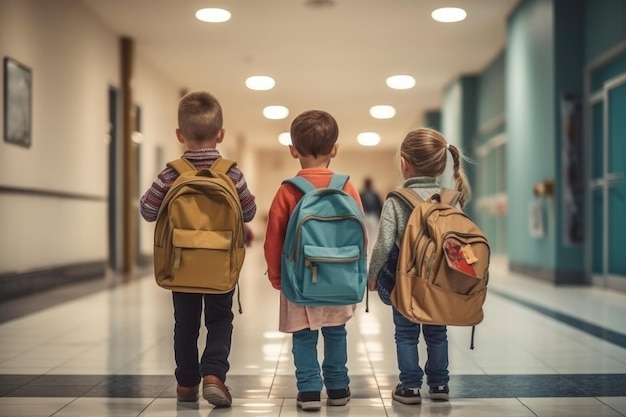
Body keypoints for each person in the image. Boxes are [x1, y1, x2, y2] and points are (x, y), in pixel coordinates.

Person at [139, 91, 257, 407]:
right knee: (220, 320)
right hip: (221, 265)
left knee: (185, 324)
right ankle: (214, 375)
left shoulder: (171, 173)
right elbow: (248, 213)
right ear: (221, 134)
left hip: (181, 264)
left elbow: (148, 211)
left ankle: (187, 384)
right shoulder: (232, 173)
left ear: (180, 135)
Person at [263, 110, 365, 412]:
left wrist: (276, 276)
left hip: (300, 279)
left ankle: (308, 391)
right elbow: (361, 238)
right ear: (335, 149)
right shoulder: (347, 187)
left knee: (303, 338)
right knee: (336, 334)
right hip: (340, 277)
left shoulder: (287, 190)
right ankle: (337, 388)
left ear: (293, 150)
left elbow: (274, 236)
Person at [367, 127, 472, 405]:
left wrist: (373, 275)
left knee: (405, 333)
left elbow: (383, 244)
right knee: (437, 333)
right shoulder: (451, 200)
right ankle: (439, 385)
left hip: (407, 284)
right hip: (440, 283)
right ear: (441, 164)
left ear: (404, 163)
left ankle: (410, 387)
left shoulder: (396, 200)